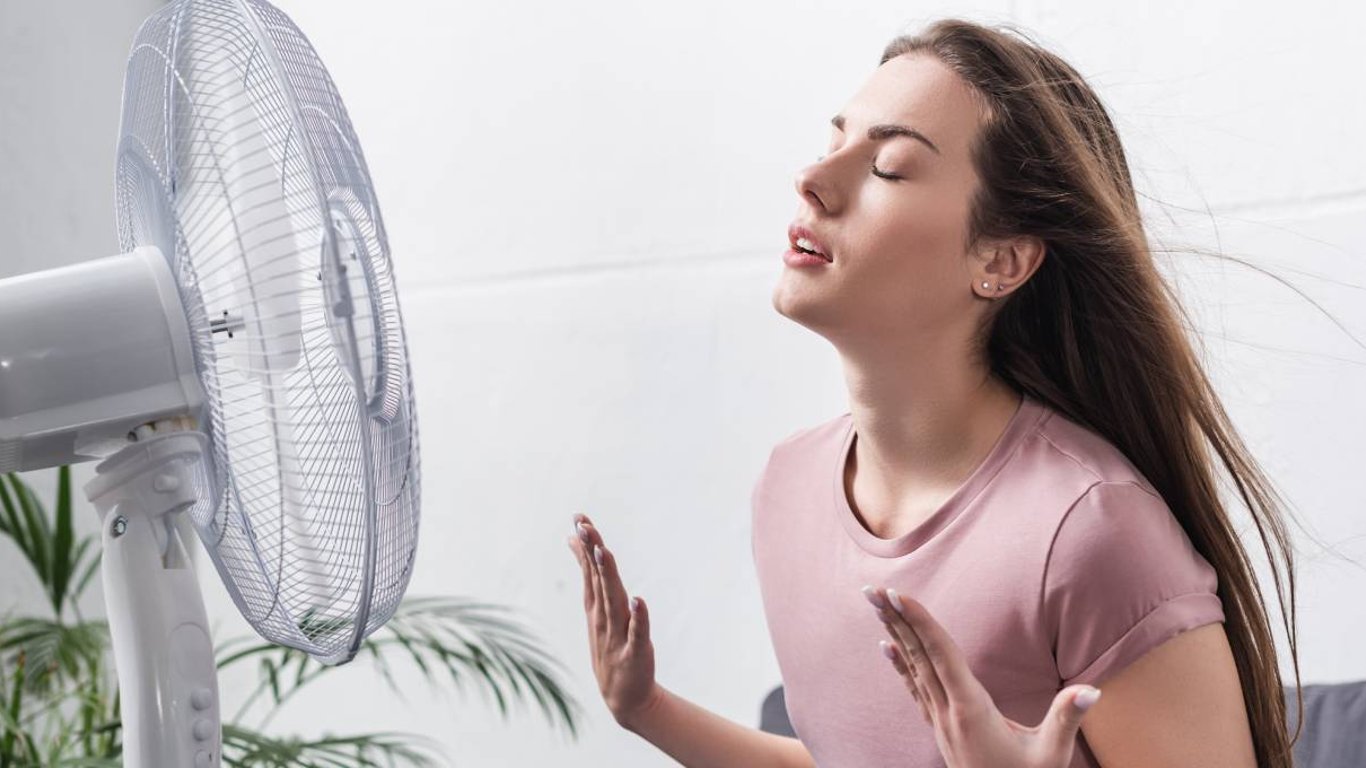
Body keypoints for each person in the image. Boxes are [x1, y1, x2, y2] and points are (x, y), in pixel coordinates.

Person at [567, 17, 1302, 768]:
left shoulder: (1091, 531)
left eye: (887, 166)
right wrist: (648, 711)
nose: (812, 178)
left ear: (1002, 261)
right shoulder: (788, 489)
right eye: (832, 142)